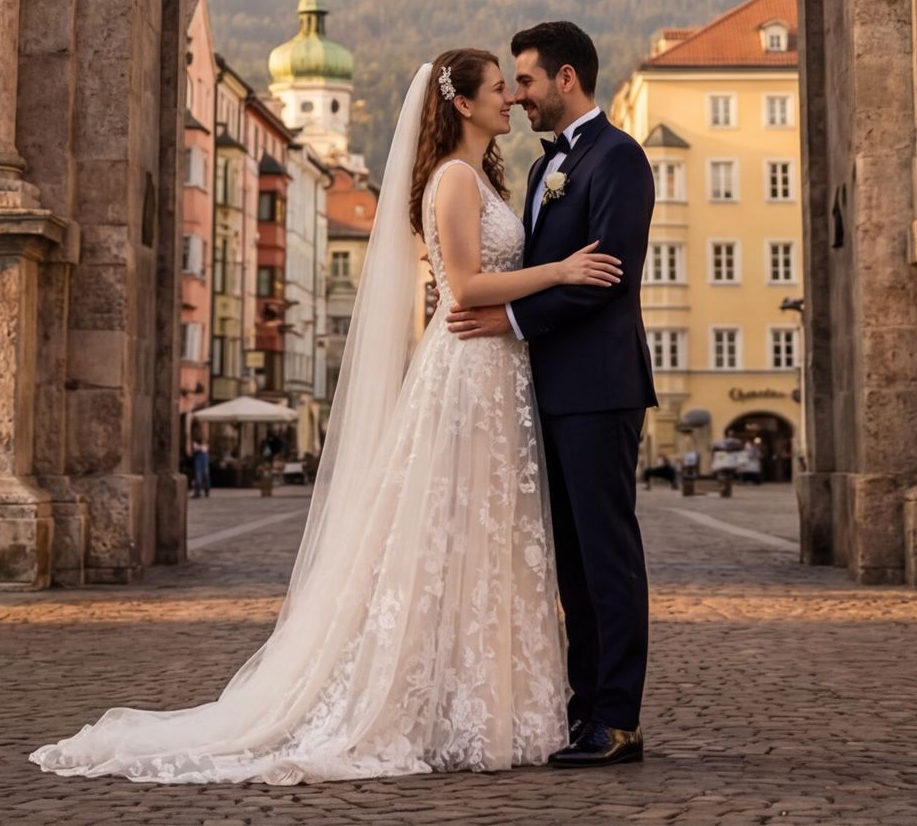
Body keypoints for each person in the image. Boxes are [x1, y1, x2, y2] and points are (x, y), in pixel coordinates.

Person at [35, 48, 620, 783]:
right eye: (502, 88)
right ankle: (445, 701)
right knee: (452, 529)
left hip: (496, 369)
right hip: (468, 369)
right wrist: (562, 270)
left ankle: (485, 699)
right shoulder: (452, 179)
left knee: (486, 534)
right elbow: (467, 284)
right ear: (464, 104)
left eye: (514, 85)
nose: (512, 98)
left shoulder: (488, 176)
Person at [449, 19, 658, 769]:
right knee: (569, 562)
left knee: (607, 555)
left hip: (600, 388)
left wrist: (503, 315)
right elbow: (549, 266)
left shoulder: (620, 159)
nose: (520, 96)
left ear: (566, 78)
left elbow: (604, 277)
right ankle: (583, 711)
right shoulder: (542, 171)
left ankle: (618, 718)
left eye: (527, 81)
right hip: (545, 388)